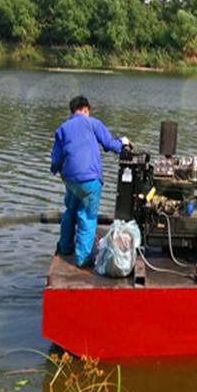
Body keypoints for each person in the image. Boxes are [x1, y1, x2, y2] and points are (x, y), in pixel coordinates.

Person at [50, 95, 129, 268]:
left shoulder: (62, 129)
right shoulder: (92, 123)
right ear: (86, 109)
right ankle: (82, 259)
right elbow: (110, 145)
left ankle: (65, 248)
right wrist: (122, 143)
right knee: (87, 216)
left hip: (71, 180)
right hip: (90, 181)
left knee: (70, 211)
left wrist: (57, 171)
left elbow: (56, 159)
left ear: (72, 111)